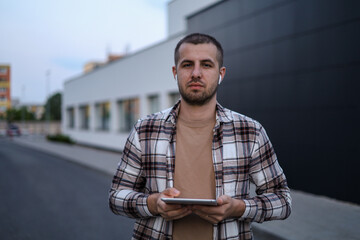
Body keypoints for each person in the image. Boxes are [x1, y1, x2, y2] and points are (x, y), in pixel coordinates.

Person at [109, 33, 291, 240]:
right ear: (175, 71)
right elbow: (116, 197)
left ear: (221, 73)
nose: (196, 73)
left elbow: (282, 200)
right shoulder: (145, 129)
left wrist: (238, 208)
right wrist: (154, 203)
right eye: (187, 65)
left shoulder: (250, 131)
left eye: (206, 65)